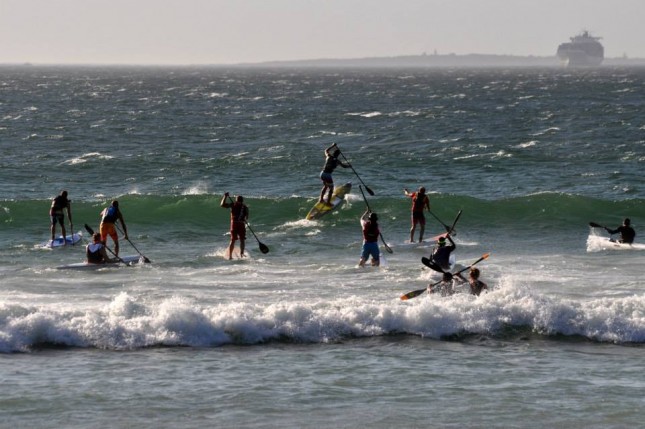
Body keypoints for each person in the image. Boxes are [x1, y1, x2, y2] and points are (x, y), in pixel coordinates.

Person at [220, 192, 249, 260]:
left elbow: (222, 205)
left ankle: (230, 256)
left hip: (234, 224)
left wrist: (225, 196)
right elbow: (246, 218)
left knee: (233, 240)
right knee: (242, 240)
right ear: (242, 200)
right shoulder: (245, 207)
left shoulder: (233, 205)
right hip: (241, 224)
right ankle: (242, 254)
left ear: (236, 200)